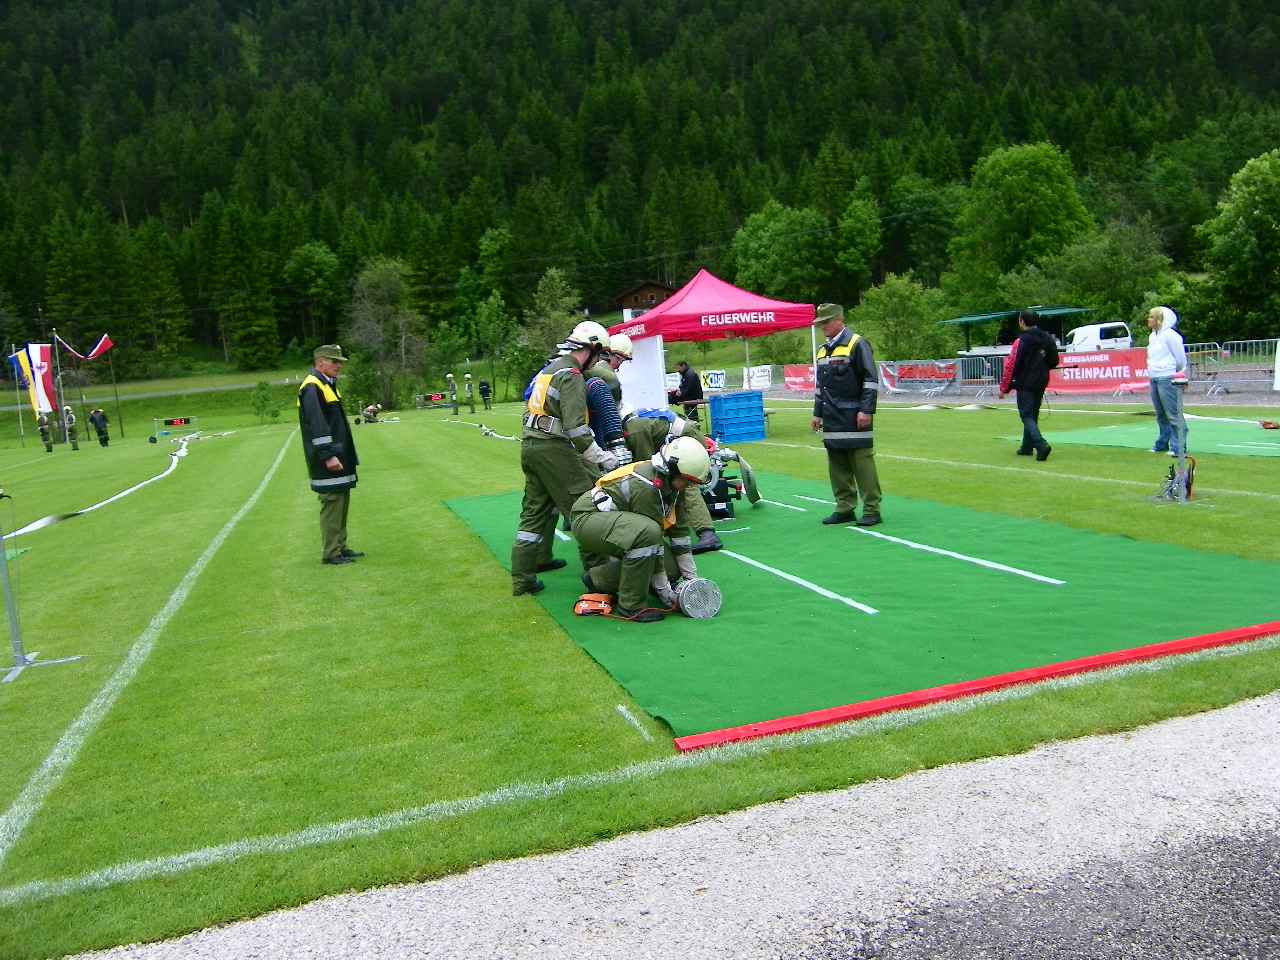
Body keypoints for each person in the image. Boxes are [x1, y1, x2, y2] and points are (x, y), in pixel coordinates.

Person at [511, 320, 615, 597]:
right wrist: (602, 457)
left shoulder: (549, 370)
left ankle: (522, 580)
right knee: (585, 509)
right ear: (591, 349)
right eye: (600, 355)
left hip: (531, 446)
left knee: (533, 515)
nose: (599, 361)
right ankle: (601, 579)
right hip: (553, 449)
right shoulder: (571, 375)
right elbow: (576, 429)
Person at [571, 436, 710, 623]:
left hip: (617, 524)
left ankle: (598, 579)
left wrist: (692, 580)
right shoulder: (647, 486)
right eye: (687, 481)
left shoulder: (673, 484)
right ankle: (631, 606)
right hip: (588, 520)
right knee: (649, 534)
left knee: (672, 569)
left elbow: (680, 532)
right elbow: (654, 542)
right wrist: (666, 594)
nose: (689, 486)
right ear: (673, 471)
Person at [811, 303, 882, 526]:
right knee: (837, 466)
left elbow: (870, 380)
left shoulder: (857, 344)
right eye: (821, 323)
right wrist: (817, 413)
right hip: (832, 417)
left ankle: (872, 509)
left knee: (863, 464)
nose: (823, 327)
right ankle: (844, 508)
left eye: (826, 322)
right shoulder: (822, 350)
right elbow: (820, 387)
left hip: (855, 416)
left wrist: (866, 410)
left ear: (839, 320)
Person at [622, 408, 722, 554]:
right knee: (679, 482)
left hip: (688, 437)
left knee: (687, 483)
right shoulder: (634, 422)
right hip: (684, 434)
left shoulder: (634, 430)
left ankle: (707, 533)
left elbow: (645, 467)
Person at [298, 344, 363, 566]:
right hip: (328, 458)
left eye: (340, 362)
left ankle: (340, 546)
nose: (339, 365)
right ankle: (331, 552)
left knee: (341, 500)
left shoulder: (327, 383)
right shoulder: (312, 386)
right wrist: (327, 455)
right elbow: (317, 424)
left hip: (339, 455)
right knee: (332, 502)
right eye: (334, 361)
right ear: (320, 362)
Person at [999, 309, 1059, 462]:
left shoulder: (1022, 340)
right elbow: (1054, 361)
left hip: (1025, 382)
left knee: (1026, 415)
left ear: (1022, 322)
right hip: (1041, 380)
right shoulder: (1047, 338)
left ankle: (1041, 444)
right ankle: (1026, 447)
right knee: (1033, 414)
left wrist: (1005, 387)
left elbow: (1012, 365)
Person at [1147, 306, 1188, 457]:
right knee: (1161, 414)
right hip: (1154, 376)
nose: (1148, 319)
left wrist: (1176, 372)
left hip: (1167, 377)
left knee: (1173, 413)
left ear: (1160, 319)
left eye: (1152, 317)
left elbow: (1180, 358)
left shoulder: (1170, 335)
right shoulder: (1152, 336)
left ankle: (1179, 446)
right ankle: (1162, 443)